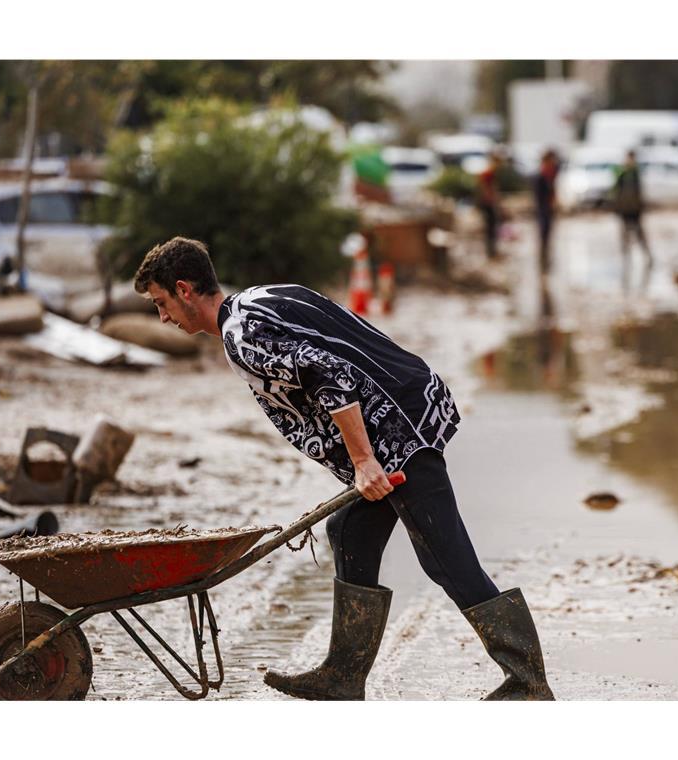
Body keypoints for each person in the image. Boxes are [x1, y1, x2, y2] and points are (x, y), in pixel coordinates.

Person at [132, 236, 554, 701]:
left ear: (185, 289)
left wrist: (363, 460)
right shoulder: (260, 298)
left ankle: (527, 681)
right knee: (349, 531)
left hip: (396, 433)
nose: (163, 318)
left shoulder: (241, 335)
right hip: (407, 406)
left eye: (162, 303)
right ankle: (343, 674)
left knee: (445, 556)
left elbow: (332, 376)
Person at [612, 150, 653, 289]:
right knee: (625, 236)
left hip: (635, 211)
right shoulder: (622, 174)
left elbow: (639, 192)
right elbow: (615, 192)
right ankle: (626, 258)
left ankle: (647, 256)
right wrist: (617, 208)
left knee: (640, 234)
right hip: (625, 210)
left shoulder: (636, 174)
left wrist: (641, 207)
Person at [533, 149, 559, 277]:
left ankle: (545, 260)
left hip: (548, 209)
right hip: (543, 209)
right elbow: (539, 196)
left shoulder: (550, 174)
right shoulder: (542, 175)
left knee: (547, 235)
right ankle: (542, 261)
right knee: (544, 234)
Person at [476, 152, 503, 259]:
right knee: (490, 227)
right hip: (487, 203)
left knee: (492, 227)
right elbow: (486, 189)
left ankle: (492, 251)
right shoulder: (488, 173)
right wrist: (491, 201)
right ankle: (490, 252)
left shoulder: (491, 173)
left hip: (489, 202)